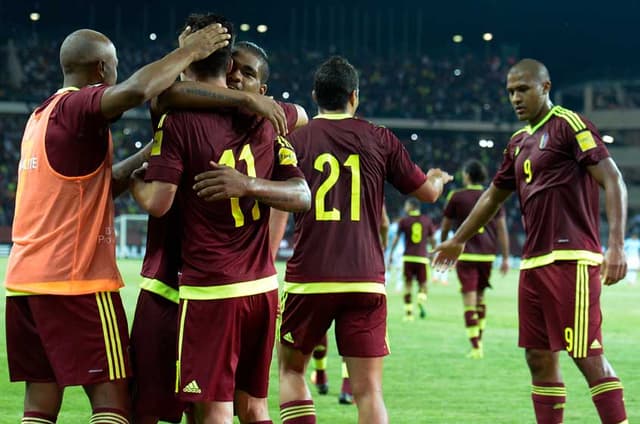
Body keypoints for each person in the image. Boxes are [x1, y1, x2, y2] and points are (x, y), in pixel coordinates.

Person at [3, 25, 228, 424]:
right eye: (115, 69)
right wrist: (190, 53)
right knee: (114, 399)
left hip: (26, 284)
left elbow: (97, 187)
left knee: (39, 403)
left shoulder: (41, 116)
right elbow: (138, 90)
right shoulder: (77, 108)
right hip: (76, 282)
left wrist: (158, 147)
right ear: (103, 69)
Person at [129, 13, 311, 424]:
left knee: (188, 404)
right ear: (226, 66)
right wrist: (250, 101)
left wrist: (247, 184)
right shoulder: (263, 118)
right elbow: (301, 114)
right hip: (217, 284)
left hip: (201, 286)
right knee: (233, 404)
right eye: (237, 69)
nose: (239, 80)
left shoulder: (184, 118)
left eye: (250, 77)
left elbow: (159, 96)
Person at [433, 58, 628, 424]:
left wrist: (615, 244)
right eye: (510, 92)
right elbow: (493, 195)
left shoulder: (569, 125)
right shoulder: (518, 142)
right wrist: (458, 239)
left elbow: (613, 178)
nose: (515, 98)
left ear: (545, 87)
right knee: (538, 359)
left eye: (523, 89)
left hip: (571, 259)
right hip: (534, 263)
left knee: (586, 355)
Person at [277, 56, 452, 424]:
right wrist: (437, 178)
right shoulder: (380, 137)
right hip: (365, 277)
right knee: (369, 392)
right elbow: (427, 194)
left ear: (315, 96)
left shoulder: (295, 139)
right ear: (354, 97)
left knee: (292, 372)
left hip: (310, 276)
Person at [439, 159, 510, 359]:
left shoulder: (456, 196)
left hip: (466, 253)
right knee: (480, 298)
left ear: (467, 175)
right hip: (487, 253)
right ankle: (480, 340)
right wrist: (505, 257)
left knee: (469, 300)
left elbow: (445, 226)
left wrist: (445, 248)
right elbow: (502, 229)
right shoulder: (494, 195)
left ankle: (475, 346)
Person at [388, 198, 436, 321]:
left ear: (411, 206)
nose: (405, 208)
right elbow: (432, 240)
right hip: (422, 258)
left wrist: (391, 253)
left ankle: (408, 313)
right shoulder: (426, 220)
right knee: (423, 284)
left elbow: (397, 239)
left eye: (406, 205)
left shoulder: (404, 221)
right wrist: (434, 252)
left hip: (408, 257)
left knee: (408, 285)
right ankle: (421, 299)